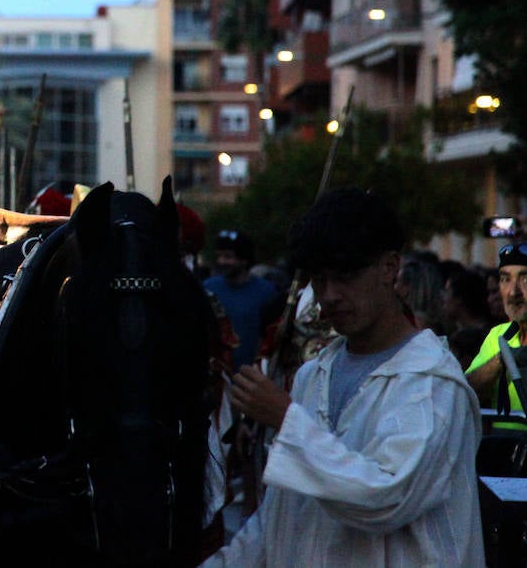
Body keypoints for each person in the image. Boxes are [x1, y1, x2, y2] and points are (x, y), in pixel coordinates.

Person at [207, 187, 483, 567]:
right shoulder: (312, 377)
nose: (330, 295)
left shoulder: (431, 384)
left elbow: (385, 497)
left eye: (346, 275)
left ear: (389, 268)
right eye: (319, 280)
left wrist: (286, 420)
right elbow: (280, 519)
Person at [465, 241, 527, 430]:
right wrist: (500, 361)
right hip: (503, 453)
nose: (513, 292)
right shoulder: (498, 334)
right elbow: (463, 392)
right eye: (505, 279)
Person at [202, 230, 276, 372]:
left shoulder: (266, 291)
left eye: (228, 256)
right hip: (217, 376)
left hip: (251, 374)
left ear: (244, 259)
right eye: (219, 256)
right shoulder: (209, 288)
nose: (221, 261)